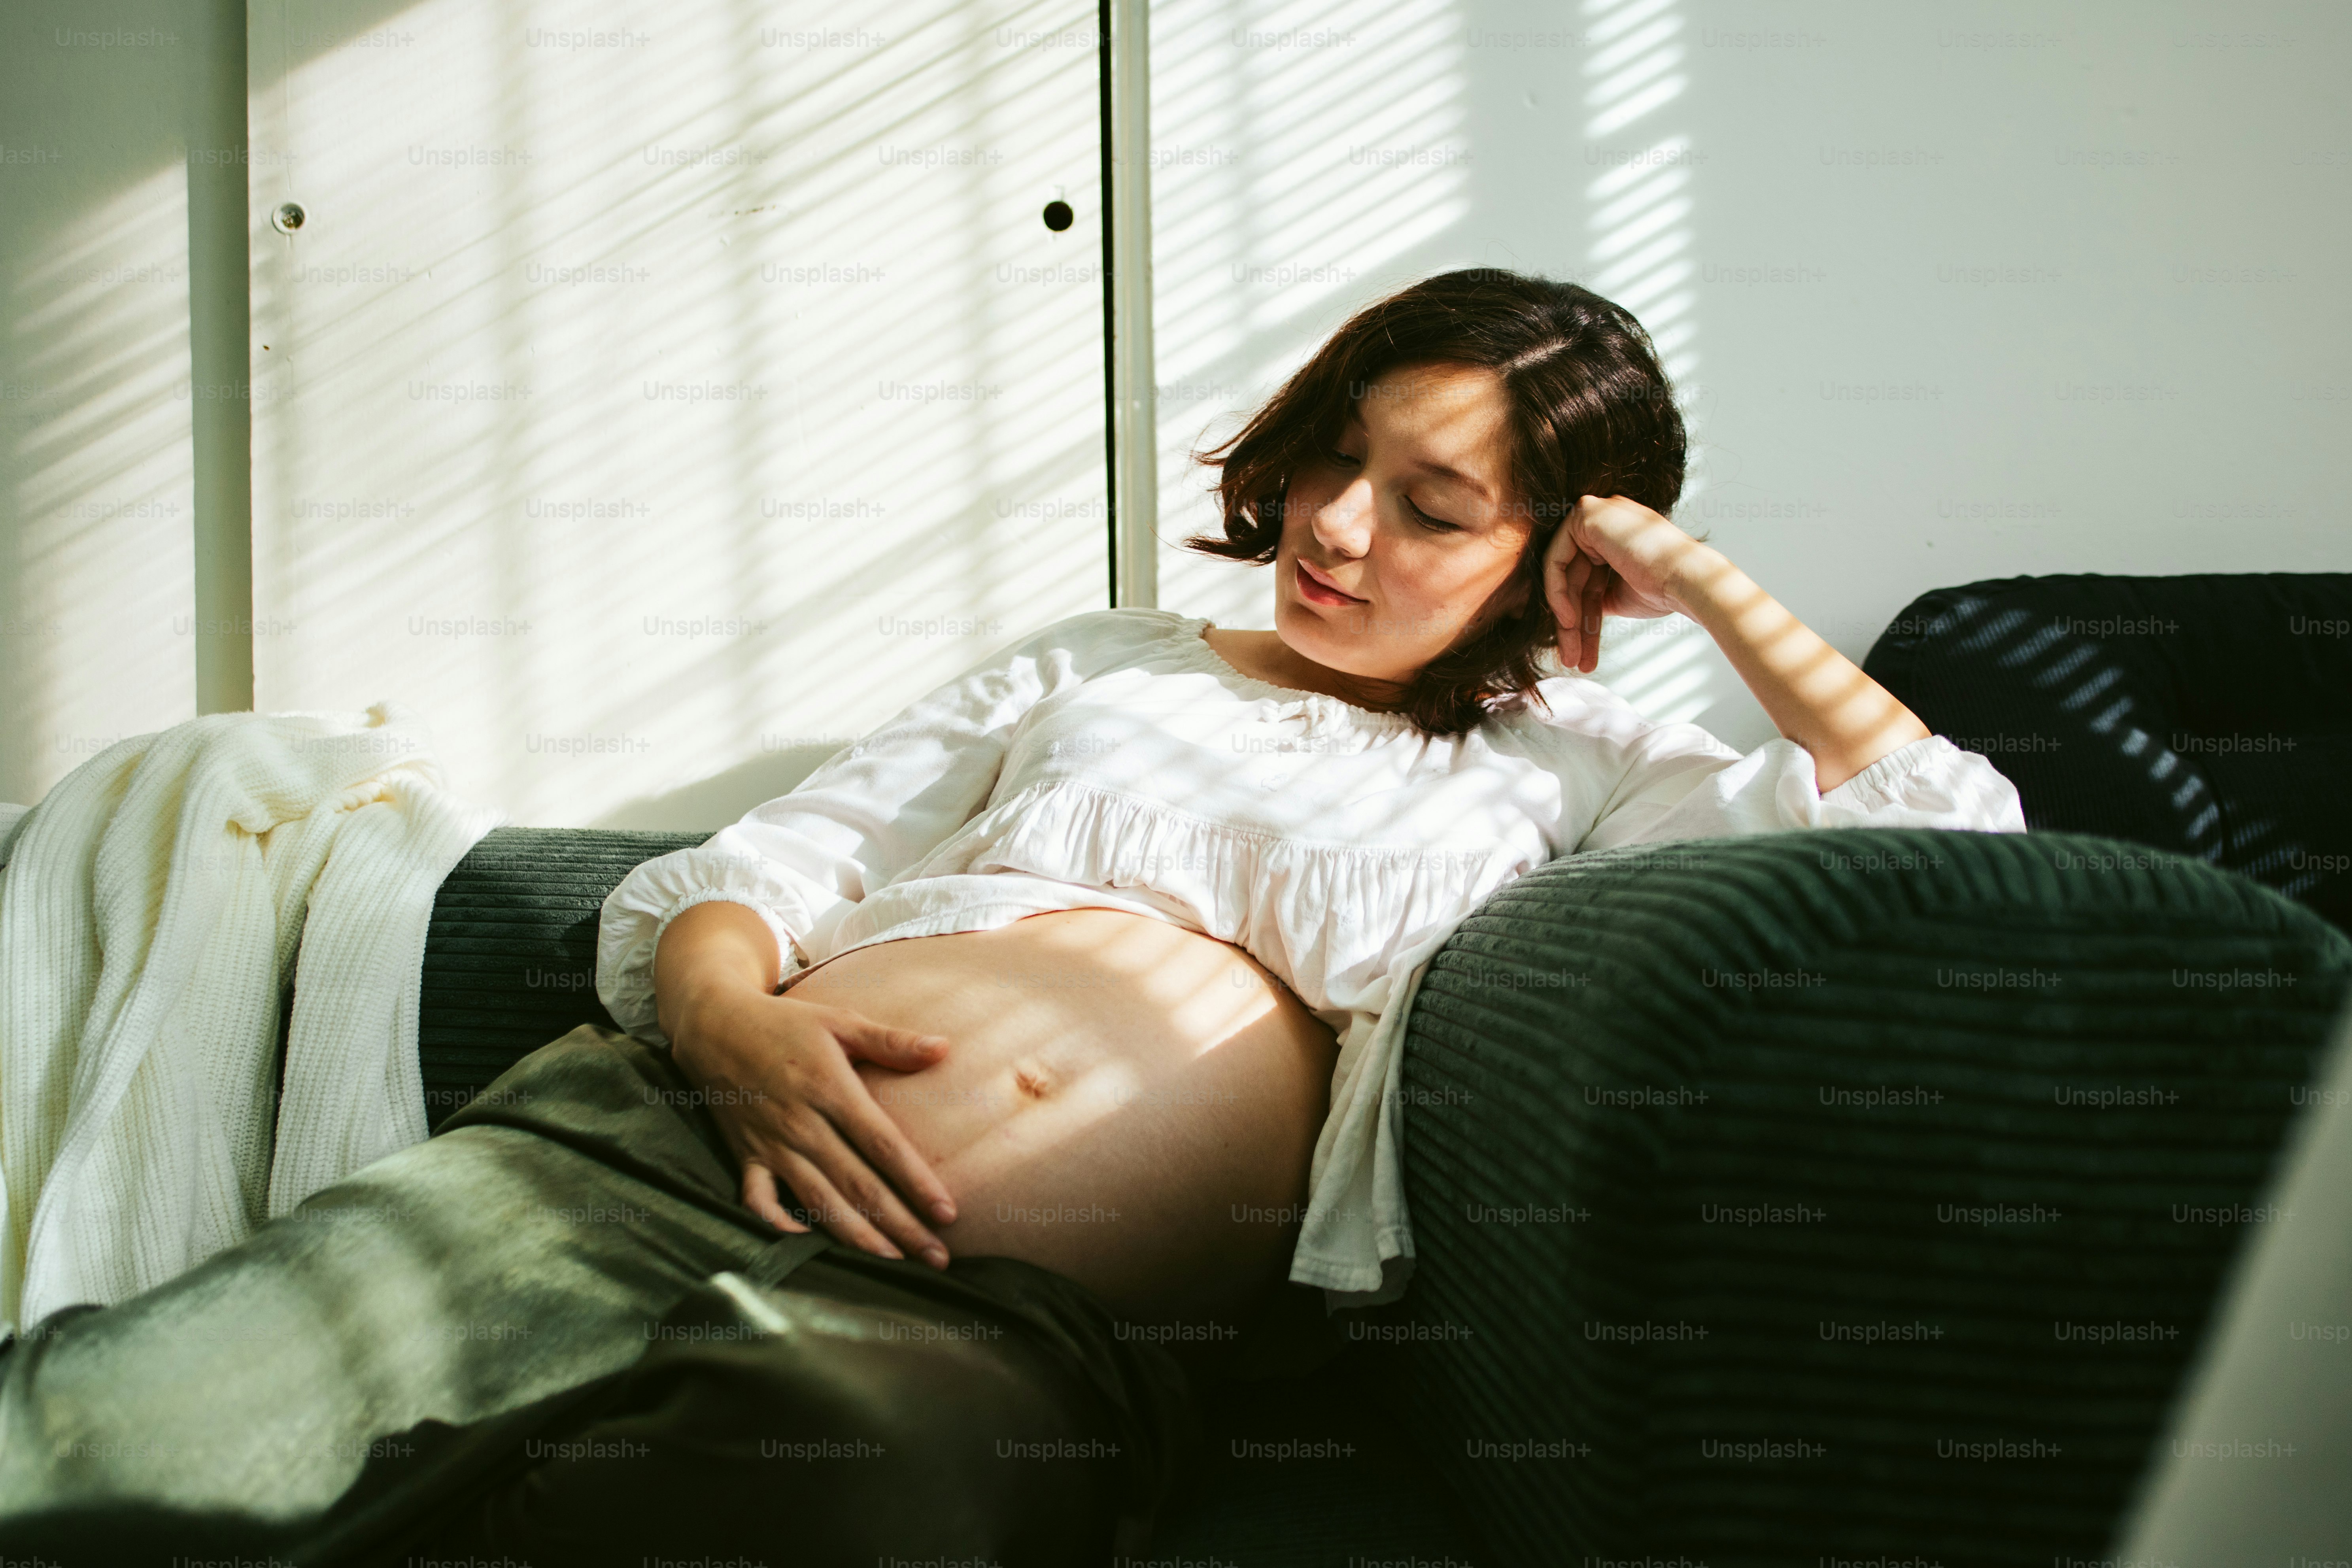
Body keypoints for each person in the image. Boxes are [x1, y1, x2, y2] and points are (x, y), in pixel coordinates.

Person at [0, 269, 2022, 1566]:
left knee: (838, 1509)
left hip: (1026, 1324)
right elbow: (758, 869)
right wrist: (730, 1026)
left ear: (1554, 556)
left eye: (1434, 505)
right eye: (1338, 455)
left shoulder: (1589, 762)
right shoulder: (1108, 658)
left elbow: (1952, 831)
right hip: (657, 1149)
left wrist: (1708, 585)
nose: (1336, 523)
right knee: (98, 1446)